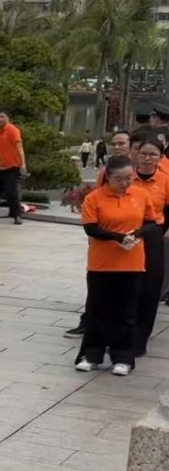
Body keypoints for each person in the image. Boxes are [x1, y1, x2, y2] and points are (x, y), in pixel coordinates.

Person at [77, 153, 153, 375]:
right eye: (119, 179)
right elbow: (91, 228)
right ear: (107, 177)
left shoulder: (140, 195)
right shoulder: (94, 198)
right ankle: (92, 355)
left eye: (129, 177)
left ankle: (123, 357)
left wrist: (136, 234)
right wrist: (118, 237)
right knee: (98, 311)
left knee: (127, 312)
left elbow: (151, 223)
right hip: (102, 264)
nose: (125, 183)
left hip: (132, 264)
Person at [65, 130, 134, 338]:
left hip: (134, 238)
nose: (118, 147)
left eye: (122, 143)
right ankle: (89, 322)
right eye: (115, 143)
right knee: (97, 283)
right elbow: (97, 196)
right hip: (106, 236)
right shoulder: (106, 170)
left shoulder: (138, 169)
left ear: (131, 145)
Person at [130, 133, 168, 358]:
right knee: (125, 287)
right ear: (136, 154)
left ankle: (140, 340)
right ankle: (120, 335)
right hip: (127, 235)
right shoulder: (126, 177)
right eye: (143, 153)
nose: (147, 158)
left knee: (150, 288)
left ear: (161, 157)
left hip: (153, 236)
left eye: (153, 155)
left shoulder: (165, 180)